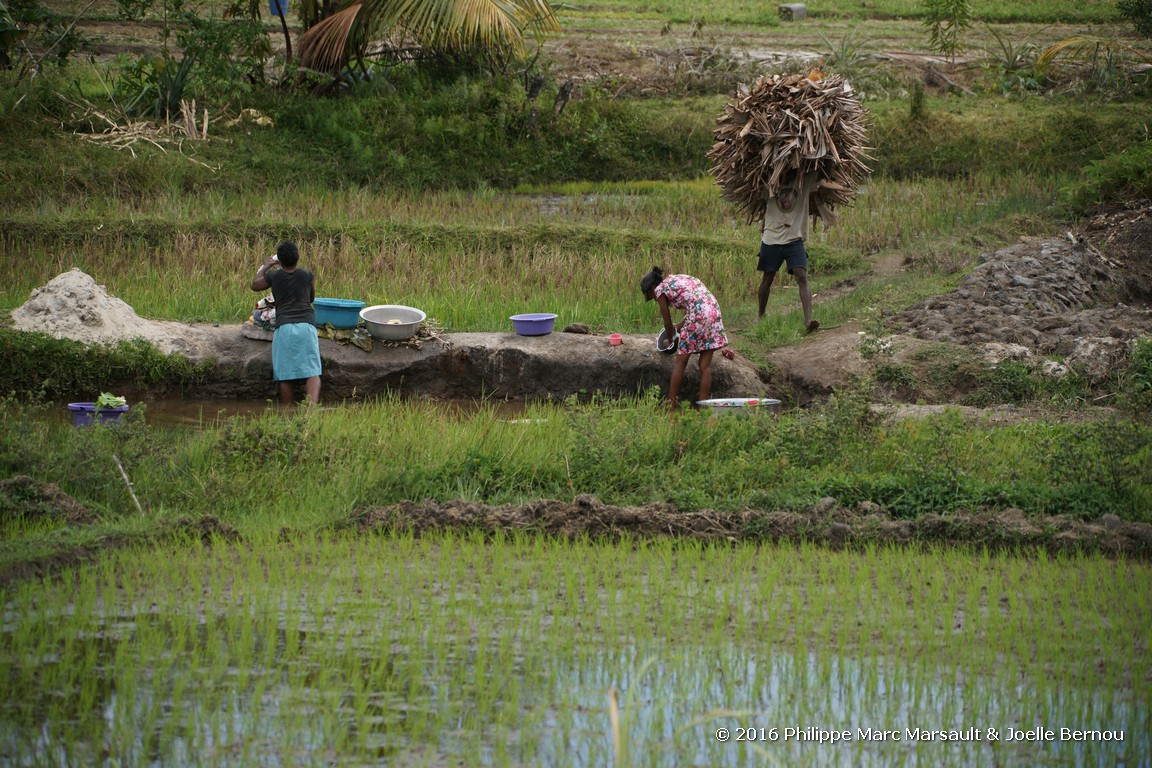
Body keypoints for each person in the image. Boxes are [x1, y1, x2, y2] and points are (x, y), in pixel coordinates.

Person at [640, 266, 735, 410]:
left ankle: (671, 406)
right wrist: (678, 327)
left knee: (680, 363)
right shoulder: (677, 279)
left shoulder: (659, 290)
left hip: (698, 316)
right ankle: (703, 408)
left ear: (651, 287)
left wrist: (670, 341)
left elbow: (667, 320)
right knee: (705, 366)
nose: (653, 298)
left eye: (650, 294)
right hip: (714, 312)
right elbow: (697, 305)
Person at [250, 241, 322, 404]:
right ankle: (311, 410)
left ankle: (288, 410)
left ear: (279, 261)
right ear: (297, 258)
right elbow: (311, 299)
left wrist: (265, 266)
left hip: (284, 327)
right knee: (313, 372)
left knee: (285, 376)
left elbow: (255, 285)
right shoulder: (307, 275)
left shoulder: (274, 276)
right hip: (307, 326)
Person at [758, 168, 820, 333]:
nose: (786, 199)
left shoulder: (803, 182)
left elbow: (823, 170)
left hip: (794, 239)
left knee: (801, 275)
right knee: (768, 278)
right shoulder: (769, 182)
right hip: (771, 239)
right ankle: (761, 315)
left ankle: (808, 321)